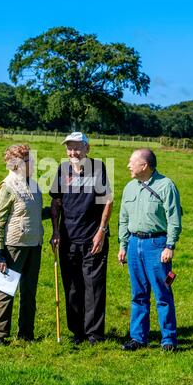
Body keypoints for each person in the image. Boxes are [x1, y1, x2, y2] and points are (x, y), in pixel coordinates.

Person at [50, 132, 113, 345]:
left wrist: (101, 231)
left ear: (88, 148)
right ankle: (77, 332)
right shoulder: (61, 170)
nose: (73, 152)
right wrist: (56, 231)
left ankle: (94, 334)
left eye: (77, 147)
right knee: (72, 287)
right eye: (69, 148)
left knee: (94, 287)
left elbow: (108, 202)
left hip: (92, 239)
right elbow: (56, 202)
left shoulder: (98, 169)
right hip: (68, 238)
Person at [118, 148, 182, 351]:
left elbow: (174, 219)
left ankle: (169, 340)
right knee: (138, 294)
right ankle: (138, 338)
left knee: (162, 293)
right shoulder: (129, 187)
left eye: (131, 162)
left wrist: (169, 246)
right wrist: (123, 244)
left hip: (157, 245)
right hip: (134, 244)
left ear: (144, 166)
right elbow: (123, 219)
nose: (128, 165)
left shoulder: (166, 186)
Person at [0, 144, 43, 344]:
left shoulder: (35, 185)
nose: (33, 163)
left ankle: (26, 333)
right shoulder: (8, 186)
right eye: (28, 160)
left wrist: (56, 210)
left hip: (34, 244)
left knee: (29, 292)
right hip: (13, 246)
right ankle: (0, 334)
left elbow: (35, 214)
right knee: (5, 290)